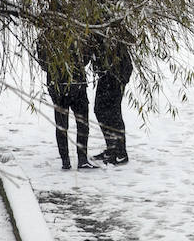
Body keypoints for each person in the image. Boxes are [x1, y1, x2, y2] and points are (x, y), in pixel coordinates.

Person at [36, 28, 96, 170]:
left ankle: (65, 160)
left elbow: (43, 62)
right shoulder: (78, 31)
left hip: (57, 85)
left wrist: (56, 69)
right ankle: (82, 159)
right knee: (82, 123)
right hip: (77, 83)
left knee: (61, 124)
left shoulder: (45, 35)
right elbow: (85, 57)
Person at [87, 28, 134, 165]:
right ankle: (112, 148)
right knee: (100, 110)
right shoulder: (96, 25)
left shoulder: (113, 26)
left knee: (113, 113)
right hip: (106, 75)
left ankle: (120, 152)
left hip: (117, 74)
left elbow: (131, 40)